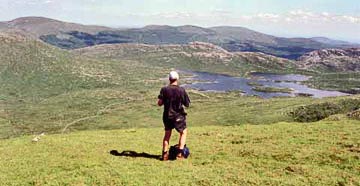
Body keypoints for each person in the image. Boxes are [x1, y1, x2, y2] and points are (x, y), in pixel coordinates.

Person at [158, 71, 190, 161]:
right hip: (178, 116)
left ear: (169, 79)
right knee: (183, 132)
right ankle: (180, 153)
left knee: (167, 135)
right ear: (177, 79)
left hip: (167, 116)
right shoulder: (181, 90)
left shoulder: (164, 89)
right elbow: (187, 104)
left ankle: (164, 154)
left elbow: (159, 103)